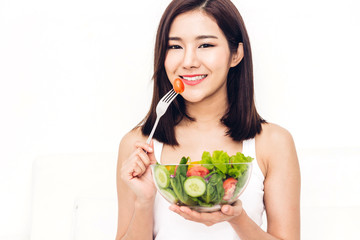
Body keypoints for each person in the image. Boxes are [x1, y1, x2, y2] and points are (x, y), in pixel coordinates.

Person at [116, 0, 300, 239]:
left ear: (236, 54)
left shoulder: (274, 143)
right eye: (175, 46)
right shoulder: (138, 145)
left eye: (205, 44)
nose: (189, 61)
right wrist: (144, 201)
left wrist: (237, 218)